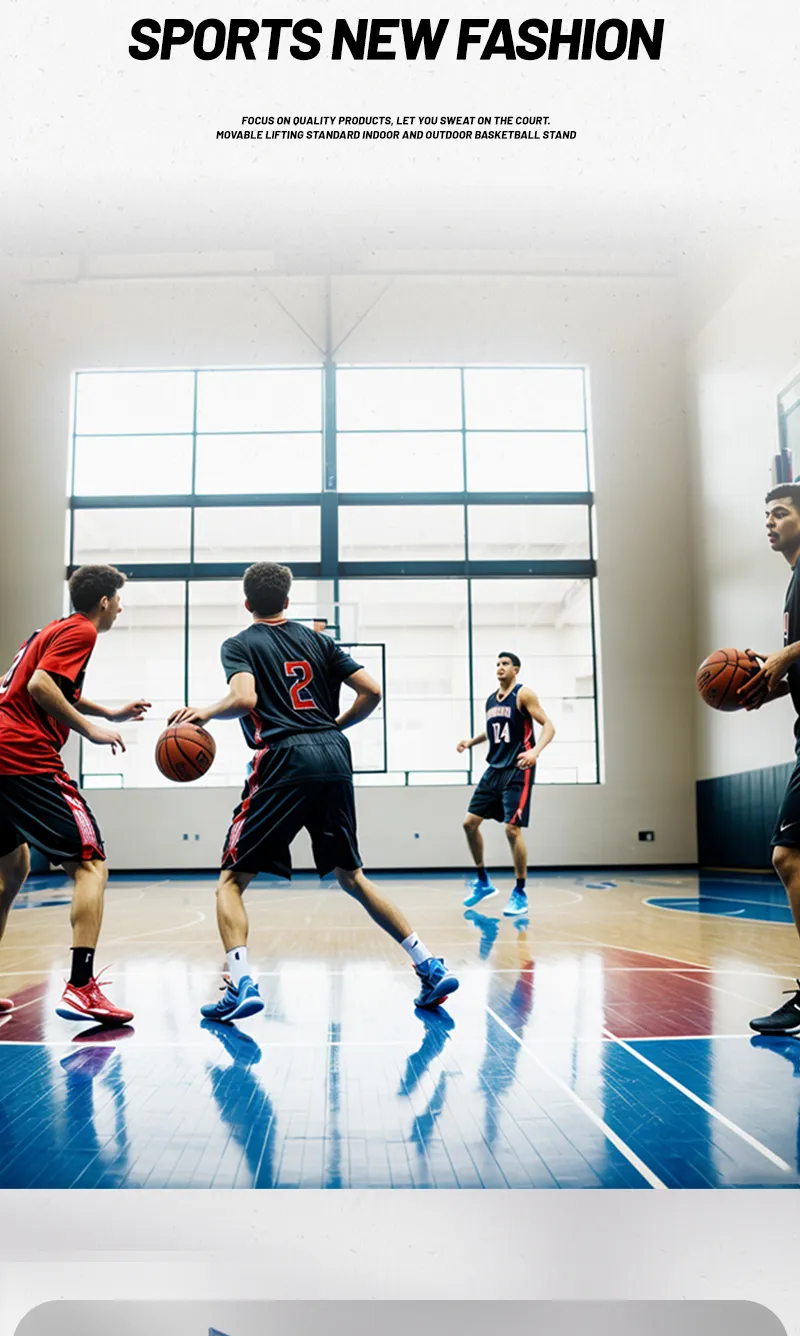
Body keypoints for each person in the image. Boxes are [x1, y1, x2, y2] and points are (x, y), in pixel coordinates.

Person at [169, 561, 459, 1022]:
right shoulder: (320, 640)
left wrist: (203, 713)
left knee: (231, 880)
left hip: (283, 757)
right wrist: (331, 727)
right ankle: (428, 965)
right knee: (352, 876)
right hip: (334, 755)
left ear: (247, 604)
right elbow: (371, 691)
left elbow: (244, 699)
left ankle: (241, 982)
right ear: (288, 601)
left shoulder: (240, 643)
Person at [0, 565, 150, 1024]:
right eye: (119, 599)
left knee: (13, 868)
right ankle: (81, 988)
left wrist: (111, 712)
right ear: (103, 601)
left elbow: (51, 683)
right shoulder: (83, 631)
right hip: (23, 756)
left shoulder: (50, 630)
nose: (121, 607)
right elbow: (40, 685)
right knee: (90, 865)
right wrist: (93, 730)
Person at [741, 485, 800, 1034]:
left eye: (780, 512)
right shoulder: (792, 583)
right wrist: (769, 684)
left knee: (789, 857)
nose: (770, 521)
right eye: (766, 515)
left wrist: (786, 655)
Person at [457, 652, 555, 918]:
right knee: (469, 823)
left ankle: (520, 891)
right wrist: (470, 741)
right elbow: (492, 731)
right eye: (497, 664)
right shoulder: (491, 700)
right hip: (494, 770)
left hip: (518, 769)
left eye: (505, 664)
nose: (500, 668)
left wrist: (535, 752)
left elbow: (548, 726)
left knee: (512, 830)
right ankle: (483, 881)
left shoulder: (523, 695)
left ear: (516, 670)